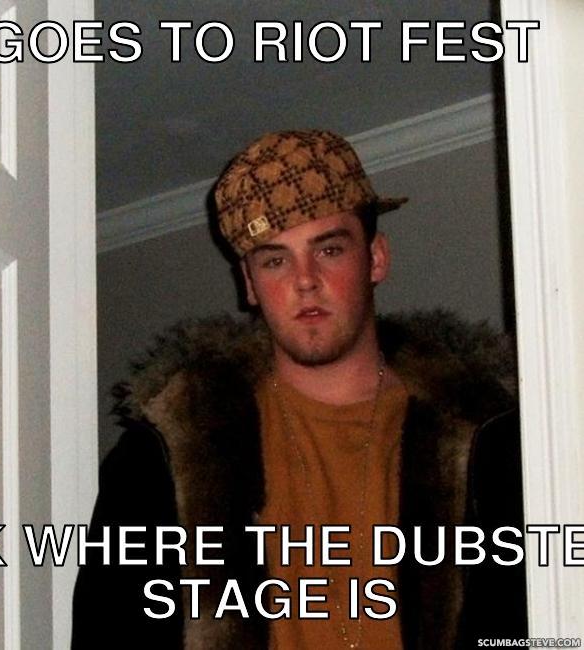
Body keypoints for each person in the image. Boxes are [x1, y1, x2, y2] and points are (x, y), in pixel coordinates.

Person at [72, 130, 525, 649]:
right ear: (249, 283)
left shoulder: (491, 440)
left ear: (376, 258)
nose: (304, 280)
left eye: (328, 249)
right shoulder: (164, 456)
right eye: (275, 260)